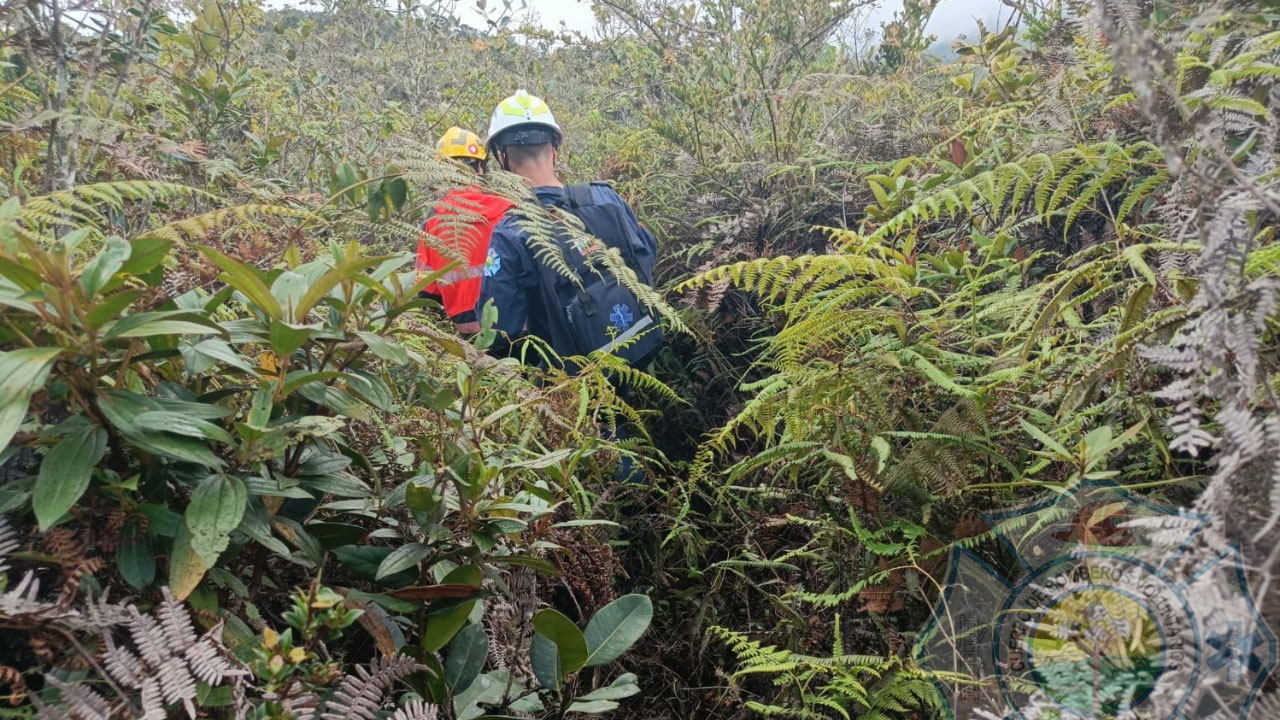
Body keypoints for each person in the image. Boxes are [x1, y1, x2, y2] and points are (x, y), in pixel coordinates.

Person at [477, 90, 664, 368]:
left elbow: (499, 327)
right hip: (642, 348)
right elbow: (648, 251)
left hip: (574, 384)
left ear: (502, 158)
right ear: (554, 150)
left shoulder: (511, 231)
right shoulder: (605, 197)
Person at [415, 126, 515, 334]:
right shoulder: (509, 209)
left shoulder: (434, 221)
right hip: (519, 327)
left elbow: (426, 292)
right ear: (480, 167)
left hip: (469, 337)